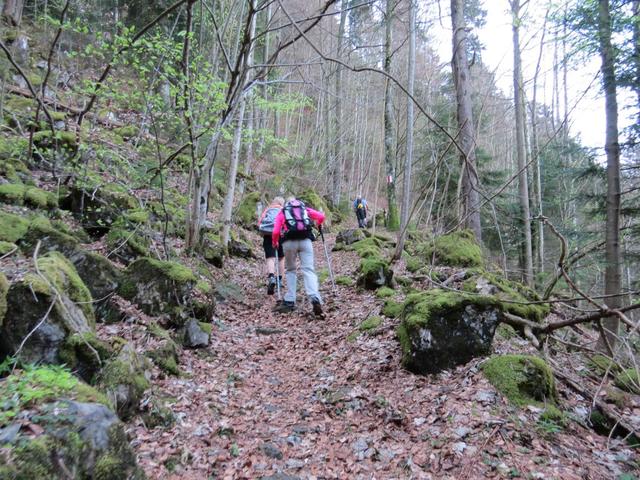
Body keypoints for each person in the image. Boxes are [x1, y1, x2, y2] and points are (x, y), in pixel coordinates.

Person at [271, 196, 325, 316]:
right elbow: (321, 216)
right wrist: (319, 224)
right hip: (305, 240)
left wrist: (275, 242)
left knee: (291, 270)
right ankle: (314, 297)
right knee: (308, 269)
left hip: (289, 242)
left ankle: (290, 299)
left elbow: (275, 231)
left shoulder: (283, 211)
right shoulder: (304, 209)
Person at [257, 196, 285, 295]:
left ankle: (271, 277)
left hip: (268, 235)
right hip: (281, 235)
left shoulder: (268, 209)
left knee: (270, 258)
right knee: (281, 258)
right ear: (282, 203)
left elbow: (259, 222)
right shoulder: (283, 210)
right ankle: (280, 280)